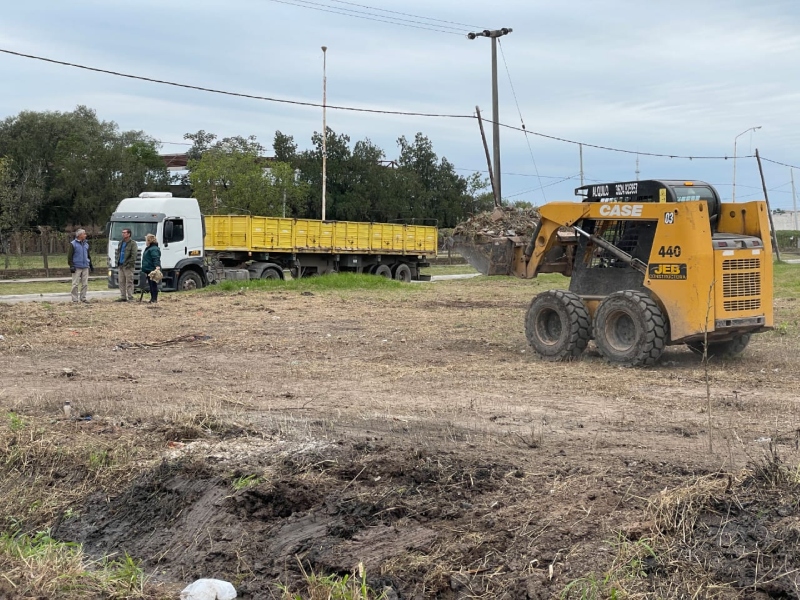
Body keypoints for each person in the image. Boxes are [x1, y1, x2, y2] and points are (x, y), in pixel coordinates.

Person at [67, 229, 93, 303]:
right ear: (79, 235)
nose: (85, 235)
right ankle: (75, 299)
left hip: (85, 266)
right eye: (84, 234)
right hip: (76, 266)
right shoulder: (73, 244)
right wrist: (71, 265)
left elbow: (88, 255)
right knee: (75, 283)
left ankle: (83, 298)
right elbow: (70, 256)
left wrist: (90, 264)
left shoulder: (86, 244)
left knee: (85, 283)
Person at [115, 228, 136, 302]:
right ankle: (123, 296)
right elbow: (118, 253)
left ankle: (130, 296)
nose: (123, 234)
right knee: (121, 281)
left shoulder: (132, 243)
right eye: (122, 232)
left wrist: (129, 264)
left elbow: (134, 255)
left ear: (129, 234)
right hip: (121, 265)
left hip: (128, 266)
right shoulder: (120, 242)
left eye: (124, 232)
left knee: (129, 281)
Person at [141, 233, 162, 304]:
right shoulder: (151, 248)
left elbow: (155, 257)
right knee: (151, 284)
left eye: (146, 240)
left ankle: (154, 299)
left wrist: (157, 266)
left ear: (149, 241)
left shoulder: (153, 249)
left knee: (153, 285)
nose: (146, 242)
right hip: (149, 269)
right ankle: (152, 298)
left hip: (152, 269)